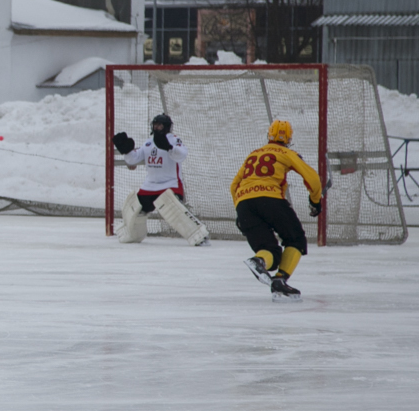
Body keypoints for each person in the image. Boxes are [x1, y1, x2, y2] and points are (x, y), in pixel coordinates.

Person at [231, 119, 323, 302]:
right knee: (295, 240)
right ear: (289, 139)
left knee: (269, 250)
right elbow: (312, 178)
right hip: (270, 199)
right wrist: (315, 201)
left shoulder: (253, 154)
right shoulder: (288, 153)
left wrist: (240, 211)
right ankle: (280, 280)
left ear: (269, 135)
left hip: (244, 203)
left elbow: (234, 185)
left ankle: (259, 262)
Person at [112, 113, 209, 246]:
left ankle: (199, 236)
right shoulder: (148, 142)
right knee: (135, 208)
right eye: (155, 124)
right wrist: (127, 151)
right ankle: (132, 235)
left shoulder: (174, 140)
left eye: (160, 125)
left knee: (173, 210)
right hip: (149, 186)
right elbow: (133, 160)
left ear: (166, 126)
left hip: (170, 185)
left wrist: (169, 148)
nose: (157, 127)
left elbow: (182, 155)